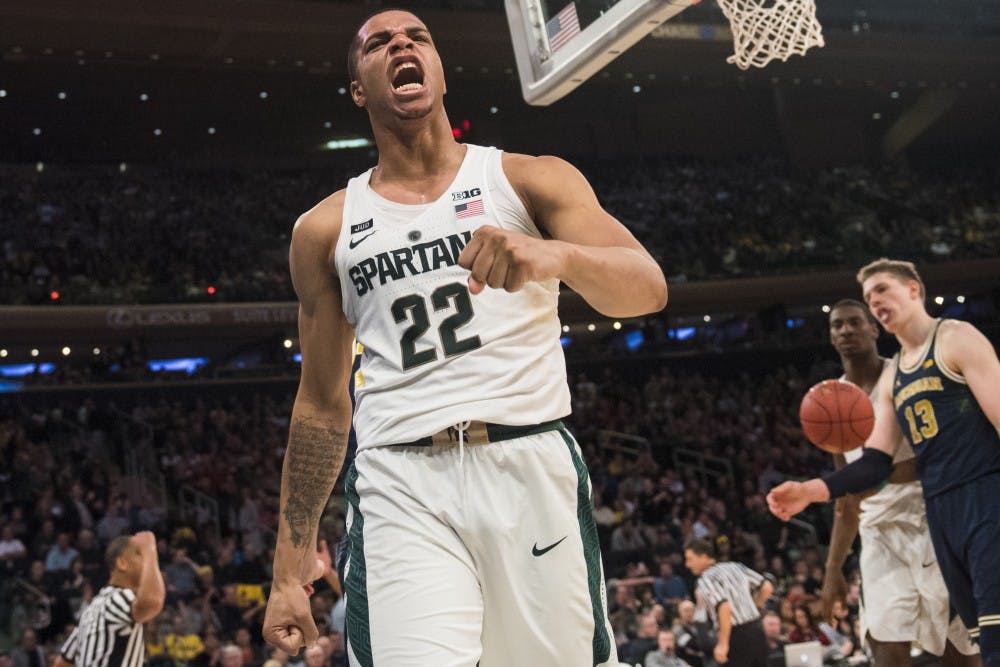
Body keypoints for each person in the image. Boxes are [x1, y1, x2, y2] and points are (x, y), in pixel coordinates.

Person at [262, 8, 668, 667]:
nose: (402, 45)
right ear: (360, 88)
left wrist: (556, 256)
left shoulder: (527, 178)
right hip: (401, 479)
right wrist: (287, 570)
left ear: (440, 71)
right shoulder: (325, 229)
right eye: (379, 43)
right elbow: (320, 404)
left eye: (417, 37)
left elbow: (646, 286)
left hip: (527, 460)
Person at [768, 258, 1000, 666]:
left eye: (882, 291)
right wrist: (811, 490)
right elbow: (873, 464)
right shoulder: (897, 380)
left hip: (975, 499)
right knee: (970, 636)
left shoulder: (955, 337)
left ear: (914, 290)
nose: (875, 301)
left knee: (982, 645)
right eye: (869, 296)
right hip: (940, 515)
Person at [821, 298, 978, 666]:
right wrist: (833, 571)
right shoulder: (832, 403)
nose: (846, 330)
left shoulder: (909, 376)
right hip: (879, 532)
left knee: (960, 648)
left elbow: (941, 457)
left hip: (933, 519)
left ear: (875, 328)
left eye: (855, 322)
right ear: (830, 337)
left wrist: (874, 474)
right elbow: (846, 498)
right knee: (885, 647)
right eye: (837, 325)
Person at [55, 531, 165, 667]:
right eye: (139, 554)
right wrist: (149, 551)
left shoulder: (92, 609)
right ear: (122, 563)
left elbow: (62, 662)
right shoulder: (119, 597)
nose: (146, 563)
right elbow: (152, 602)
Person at [685, 539, 773, 667]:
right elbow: (766, 587)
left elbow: (724, 607)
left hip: (735, 636)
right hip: (757, 630)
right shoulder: (736, 566)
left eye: (690, 559)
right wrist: (755, 606)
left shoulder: (705, 580)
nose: (687, 564)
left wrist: (723, 643)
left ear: (703, 557)